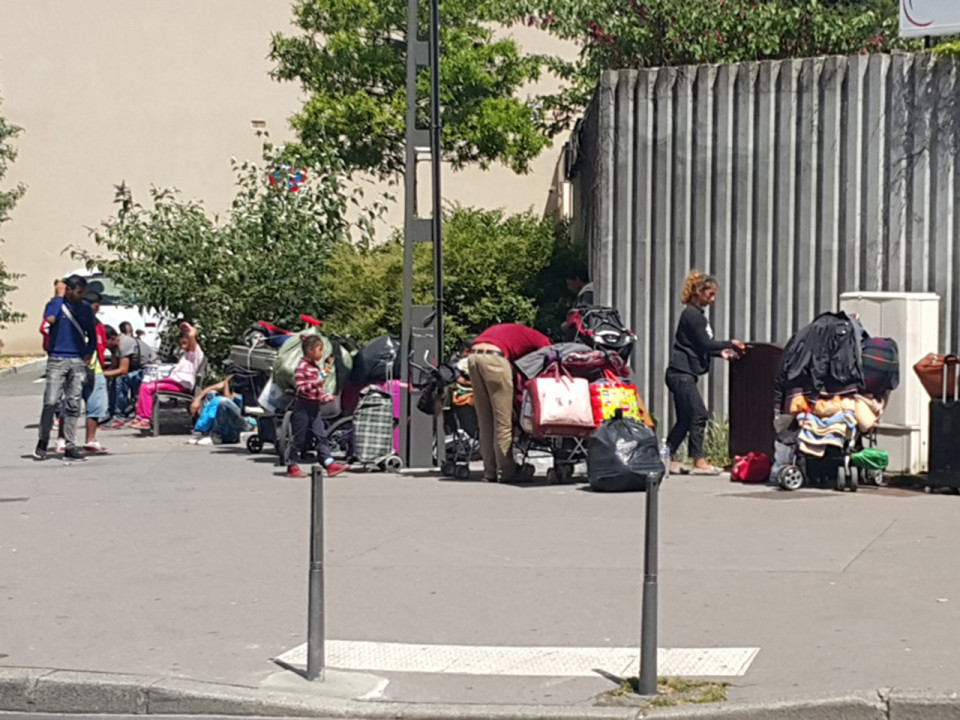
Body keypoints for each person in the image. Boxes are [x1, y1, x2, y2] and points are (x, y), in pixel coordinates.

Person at [665, 270, 746, 475]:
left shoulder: (696, 315)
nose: (713, 299)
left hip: (683, 373)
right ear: (698, 292)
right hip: (681, 373)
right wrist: (730, 344)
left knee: (685, 419)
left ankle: (666, 456)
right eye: (710, 294)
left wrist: (722, 353)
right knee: (698, 415)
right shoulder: (692, 315)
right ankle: (698, 460)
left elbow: (701, 347)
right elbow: (704, 343)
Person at [468, 323, 550, 482]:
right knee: (503, 420)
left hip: (473, 357)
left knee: (485, 420)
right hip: (495, 358)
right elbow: (549, 354)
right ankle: (506, 470)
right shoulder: (540, 339)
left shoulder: (514, 332)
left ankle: (489, 471)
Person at [34, 274, 97, 460]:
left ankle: (70, 445)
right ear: (68, 290)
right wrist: (58, 296)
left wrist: (88, 352)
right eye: (78, 292)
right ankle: (43, 440)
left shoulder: (84, 308)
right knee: (51, 401)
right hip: (57, 358)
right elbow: (50, 318)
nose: (81, 296)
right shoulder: (56, 304)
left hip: (77, 359)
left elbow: (91, 333)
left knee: (73, 403)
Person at [287, 335, 347, 478]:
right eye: (320, 350)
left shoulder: (314, 367)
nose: (321, 353)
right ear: (309, 350)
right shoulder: (301, 367)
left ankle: (329, 463)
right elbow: (301, 388)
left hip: (314, 407)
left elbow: (318, 387)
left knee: (322, 436)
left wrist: (326, 397)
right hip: (303, 407)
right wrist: (314, 383)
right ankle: (291, 465)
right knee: (299, 438)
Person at [128, 322, 204, 430]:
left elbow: (192, 335)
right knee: (145, 386)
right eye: (181, 344)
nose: (183, 346)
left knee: (147, 388)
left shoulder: (195, 354)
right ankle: (141, 417)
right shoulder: (186, 355)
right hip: (176, 382)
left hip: (181, 384)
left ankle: (144, 419)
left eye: (185, 343)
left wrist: (188, 328)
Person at [104, 324, 156, 426]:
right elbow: (114, 366)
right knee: (111, 379)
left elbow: (123, 370)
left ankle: (119, 416)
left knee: (121, 379)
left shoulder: (124, 343)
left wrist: (104, 374)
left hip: (149, 369)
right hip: (137, 369)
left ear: (113, 338)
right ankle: (112, 411)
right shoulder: (114, 346)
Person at [187, 373, 252, 446]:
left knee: (222, 401)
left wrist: (226, 383)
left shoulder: (249, 384)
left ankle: (217, 436)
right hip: (230, 422)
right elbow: (209, 388)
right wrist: (197, 399)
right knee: (211, 394)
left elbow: (228, 400)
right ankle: (206, 432)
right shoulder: (233, 382)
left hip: (245, 424)